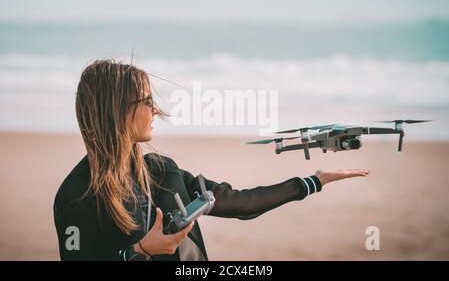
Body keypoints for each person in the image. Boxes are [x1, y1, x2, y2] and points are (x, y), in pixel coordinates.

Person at [53, 59, 369, 261]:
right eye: (146, 101)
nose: (156, 110)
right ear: (117, 110)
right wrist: (140, 252)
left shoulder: (162, 171)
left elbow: (242, 204)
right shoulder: (75, 196)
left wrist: (314, 181)